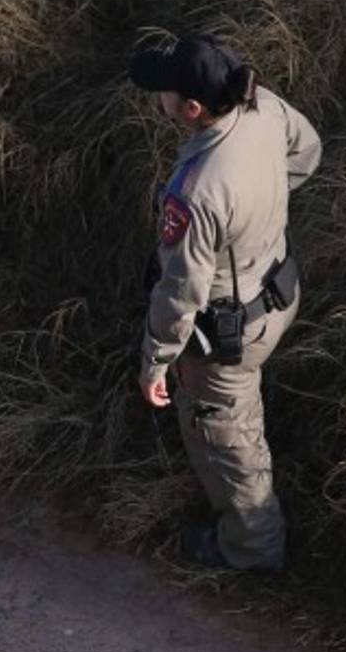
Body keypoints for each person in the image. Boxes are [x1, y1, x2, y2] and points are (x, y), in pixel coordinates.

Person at [130, 33, 321, 572]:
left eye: (163, 92)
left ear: (191, 109)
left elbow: (180, 293)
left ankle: (252, 547)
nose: (157, 99)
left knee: (226, 435)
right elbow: (309, 150)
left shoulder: (195, 192)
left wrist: (155, 364)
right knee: (236, 418)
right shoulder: (261, 105)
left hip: (231, 337)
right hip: (279, 288)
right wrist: (264, 195)